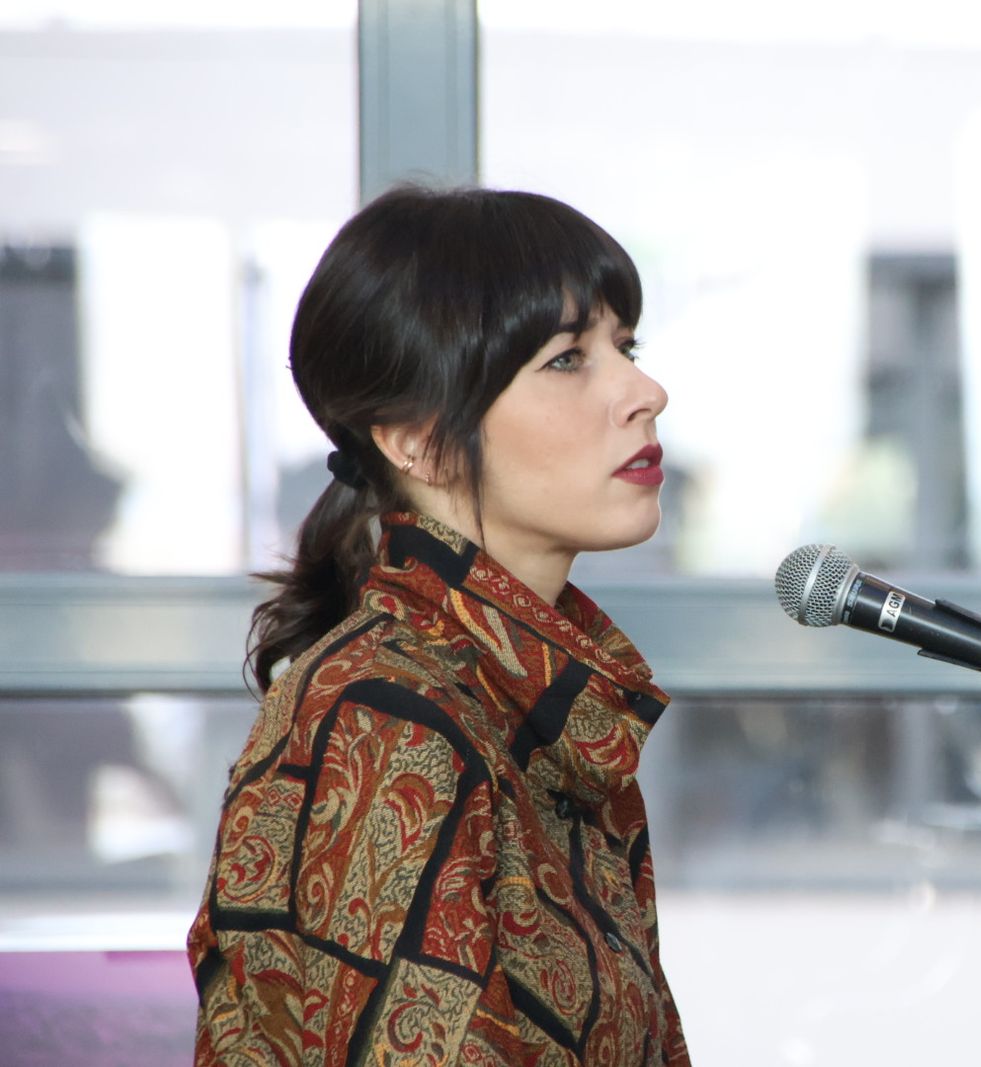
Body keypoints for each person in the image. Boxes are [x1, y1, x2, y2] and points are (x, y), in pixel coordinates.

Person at [187, 184, 689, 1065]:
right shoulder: (389, 717)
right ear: (415, 440)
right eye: (567, 359)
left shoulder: (535, 702)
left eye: (627, 346)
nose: (646, 391)